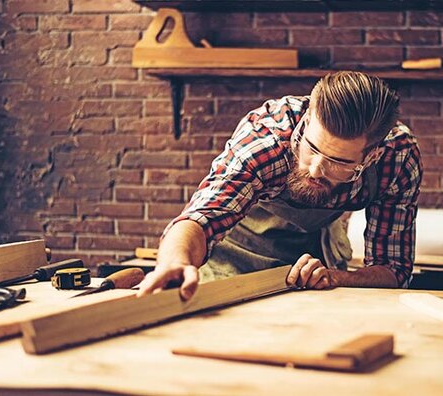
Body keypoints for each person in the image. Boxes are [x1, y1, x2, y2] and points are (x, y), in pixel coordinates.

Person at [137, 71, 423, 300]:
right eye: (311, 148)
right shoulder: (266, 139)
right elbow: (202, 218)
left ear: (372, 156)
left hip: (311, 257)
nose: (315, 169)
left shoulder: (398, 159)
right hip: (235, 253)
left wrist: (335, 277)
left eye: (338, 162)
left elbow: (393, 269)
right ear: (308, 119)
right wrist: (175, 262)